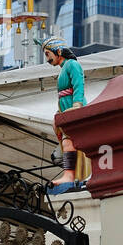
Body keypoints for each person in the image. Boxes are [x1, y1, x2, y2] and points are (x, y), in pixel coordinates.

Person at [43, 36, 87, 187]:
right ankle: (70, 174)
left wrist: (77, 104)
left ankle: (69, 175)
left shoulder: (72, 64)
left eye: (48, 54)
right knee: (67, 142)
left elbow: (78, 85)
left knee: (69, 143)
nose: (47, 59)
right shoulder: (63, 69)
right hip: (65, 109)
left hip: (73, 108)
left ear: (58, 51)